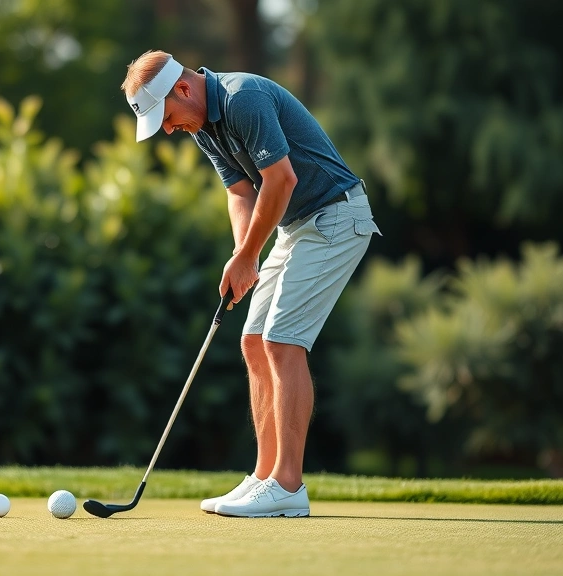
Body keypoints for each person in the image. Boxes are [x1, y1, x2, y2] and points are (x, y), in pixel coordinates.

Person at [121, 50, 380, 517]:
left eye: (167, 117)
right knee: (254, 341)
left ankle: (288, 486)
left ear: (183, 89)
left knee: (282, 342)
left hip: (337, 216)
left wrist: (245, 258)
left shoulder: (244, 98)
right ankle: (264, 478)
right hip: (295, 225)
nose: (167, 128)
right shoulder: (203, 126)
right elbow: (240, 193)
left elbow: (280, 180)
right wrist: (246, 256)